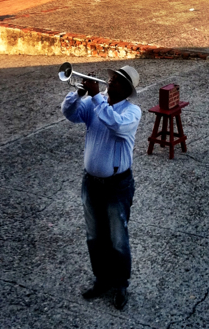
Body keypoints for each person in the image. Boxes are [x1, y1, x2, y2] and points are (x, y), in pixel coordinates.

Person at [61, 65, 141, 310]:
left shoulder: (132, 112)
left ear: (126, 90)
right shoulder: (94, 104)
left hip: (118, 186)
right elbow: (69, 113)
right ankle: (101, 279)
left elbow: (115, 125)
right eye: (111, 78)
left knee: (117, 238)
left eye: (116, 80)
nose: (109, 82)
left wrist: (96, 97)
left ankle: (120, 284)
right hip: (91, 183)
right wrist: (78, 94)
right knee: (94, 236)